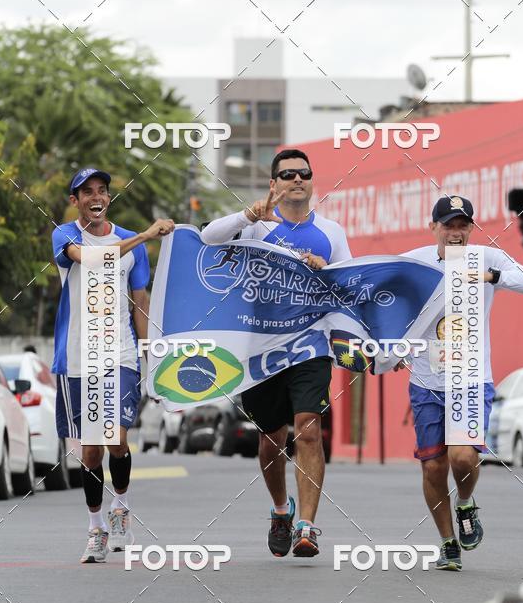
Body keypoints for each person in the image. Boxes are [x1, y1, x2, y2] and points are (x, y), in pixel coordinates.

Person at [201, 148, 352, 558]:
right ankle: (281, 511)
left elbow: (350, 288)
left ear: (312, 181)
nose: (297, 180)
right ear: (274, 185)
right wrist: (247, 217)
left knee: (307, 428)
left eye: (304, 173)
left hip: (310, 344)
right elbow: (207, 238)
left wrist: (329, 271)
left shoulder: (332, 233)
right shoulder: (255, 227)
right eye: (287, 175)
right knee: (271, 439)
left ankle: (307, 525)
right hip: (260, 349)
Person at [401, 195, 523, 571]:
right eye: (449, 224)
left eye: (463, 225)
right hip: (426, 379)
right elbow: (387, 303)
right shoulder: (413, 261)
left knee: (463, 456)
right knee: (433, 468)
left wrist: (492, 277)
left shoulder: (487, 258)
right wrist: (393, 348)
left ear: (472, 229)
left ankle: (465, 503)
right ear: (434, 228)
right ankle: (448, 542)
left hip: (471, 377)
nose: (457, 232)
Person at [51, 167, 174, 563]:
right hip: (77, 358)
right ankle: (96, 528)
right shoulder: (65, 235)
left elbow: (140, 299)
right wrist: (144, 235)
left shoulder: (131, 246)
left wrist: (149, 350)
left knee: (115, 438)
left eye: (102, 190)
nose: (96, 197)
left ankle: (121, 508)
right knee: (89, 452)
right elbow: (89, 258)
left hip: (118, 354)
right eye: (87, 192)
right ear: (76, 201)